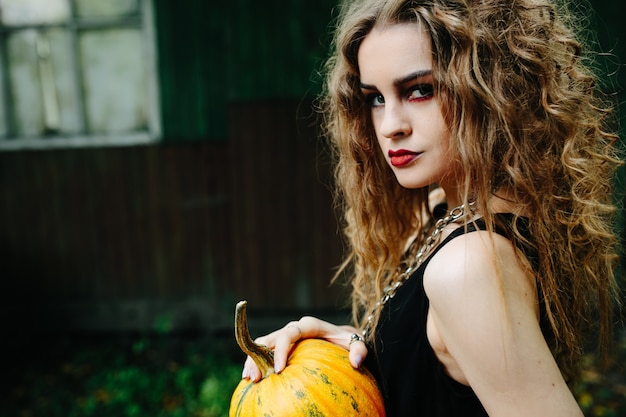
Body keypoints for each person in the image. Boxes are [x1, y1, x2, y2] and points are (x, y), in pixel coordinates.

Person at [241, 0, 622, 415]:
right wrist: (348, 352)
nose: (391, 126)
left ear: (491, 87)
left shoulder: (467, 265)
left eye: (420, 90)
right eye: (375, 98)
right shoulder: (453, 213)